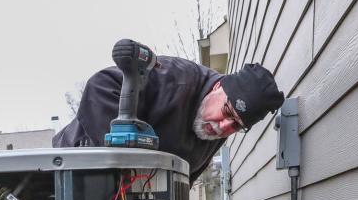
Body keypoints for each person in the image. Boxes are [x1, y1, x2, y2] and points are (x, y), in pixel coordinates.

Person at [54, 57, 285, 182]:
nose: (224, 126)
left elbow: (186, 178)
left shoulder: (214, 129)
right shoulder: (174, 80)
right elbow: (101, 85)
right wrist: (123, 164)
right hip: (72, 169)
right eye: (227, 111)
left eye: (237, 126)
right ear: (218, 86)